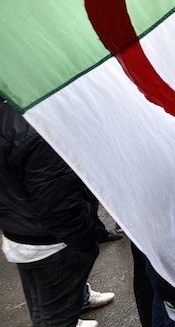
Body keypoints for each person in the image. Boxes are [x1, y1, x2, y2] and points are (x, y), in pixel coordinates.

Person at [0, 101, 114, 327]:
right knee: (56, 318)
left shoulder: (15, 118)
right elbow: (59, 206)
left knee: (43, 311)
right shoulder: (30, 127)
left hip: (20, 233)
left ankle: (80, 298)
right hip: (50, 242)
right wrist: (86, 239)